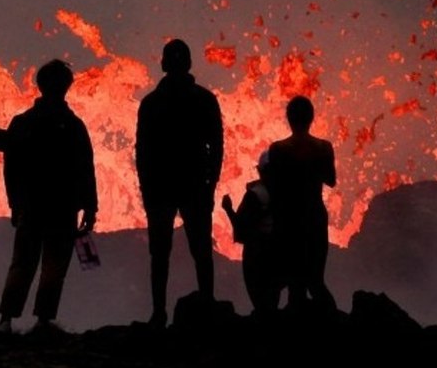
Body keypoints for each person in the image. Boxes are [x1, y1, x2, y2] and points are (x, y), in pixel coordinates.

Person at [0, 59, 98, 333]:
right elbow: (86, 168)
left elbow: (11, 169)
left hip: (32, 206)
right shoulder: (74, 126)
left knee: (23, 263)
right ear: (66, 87)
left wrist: (15, 204)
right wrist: (90, 208)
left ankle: (6, 320)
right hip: (63, 207)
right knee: (54, 266)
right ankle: (43, 320)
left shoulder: (24, 123)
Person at [135, 39, 224, 327]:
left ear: (163, 64)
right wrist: (210, 184)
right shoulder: (205, 100)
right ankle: (207, 304)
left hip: (162, 187)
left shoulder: (151, 104)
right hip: (194, 184)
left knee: (160, 253)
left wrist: (147, 190)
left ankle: (159, 312)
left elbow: (143, 152)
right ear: (188, 65)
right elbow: (217, 148)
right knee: (201, 251)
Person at [267, 95, 337, 313]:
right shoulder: (324, 147)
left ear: (288, 118)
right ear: (311, 118)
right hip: (315, 217)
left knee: (294, 282)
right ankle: (332, 325)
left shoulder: (277, 149)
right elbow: (331, 179)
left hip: (289, 220)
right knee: (315, 280)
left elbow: (274, 188)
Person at [222, 151, 281, 316]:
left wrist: (228, 209)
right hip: (279, 251)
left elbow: (242, 228)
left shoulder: (256, 194)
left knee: (260, 299)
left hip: (257, 253)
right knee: (272, 298)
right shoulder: (288, 193)